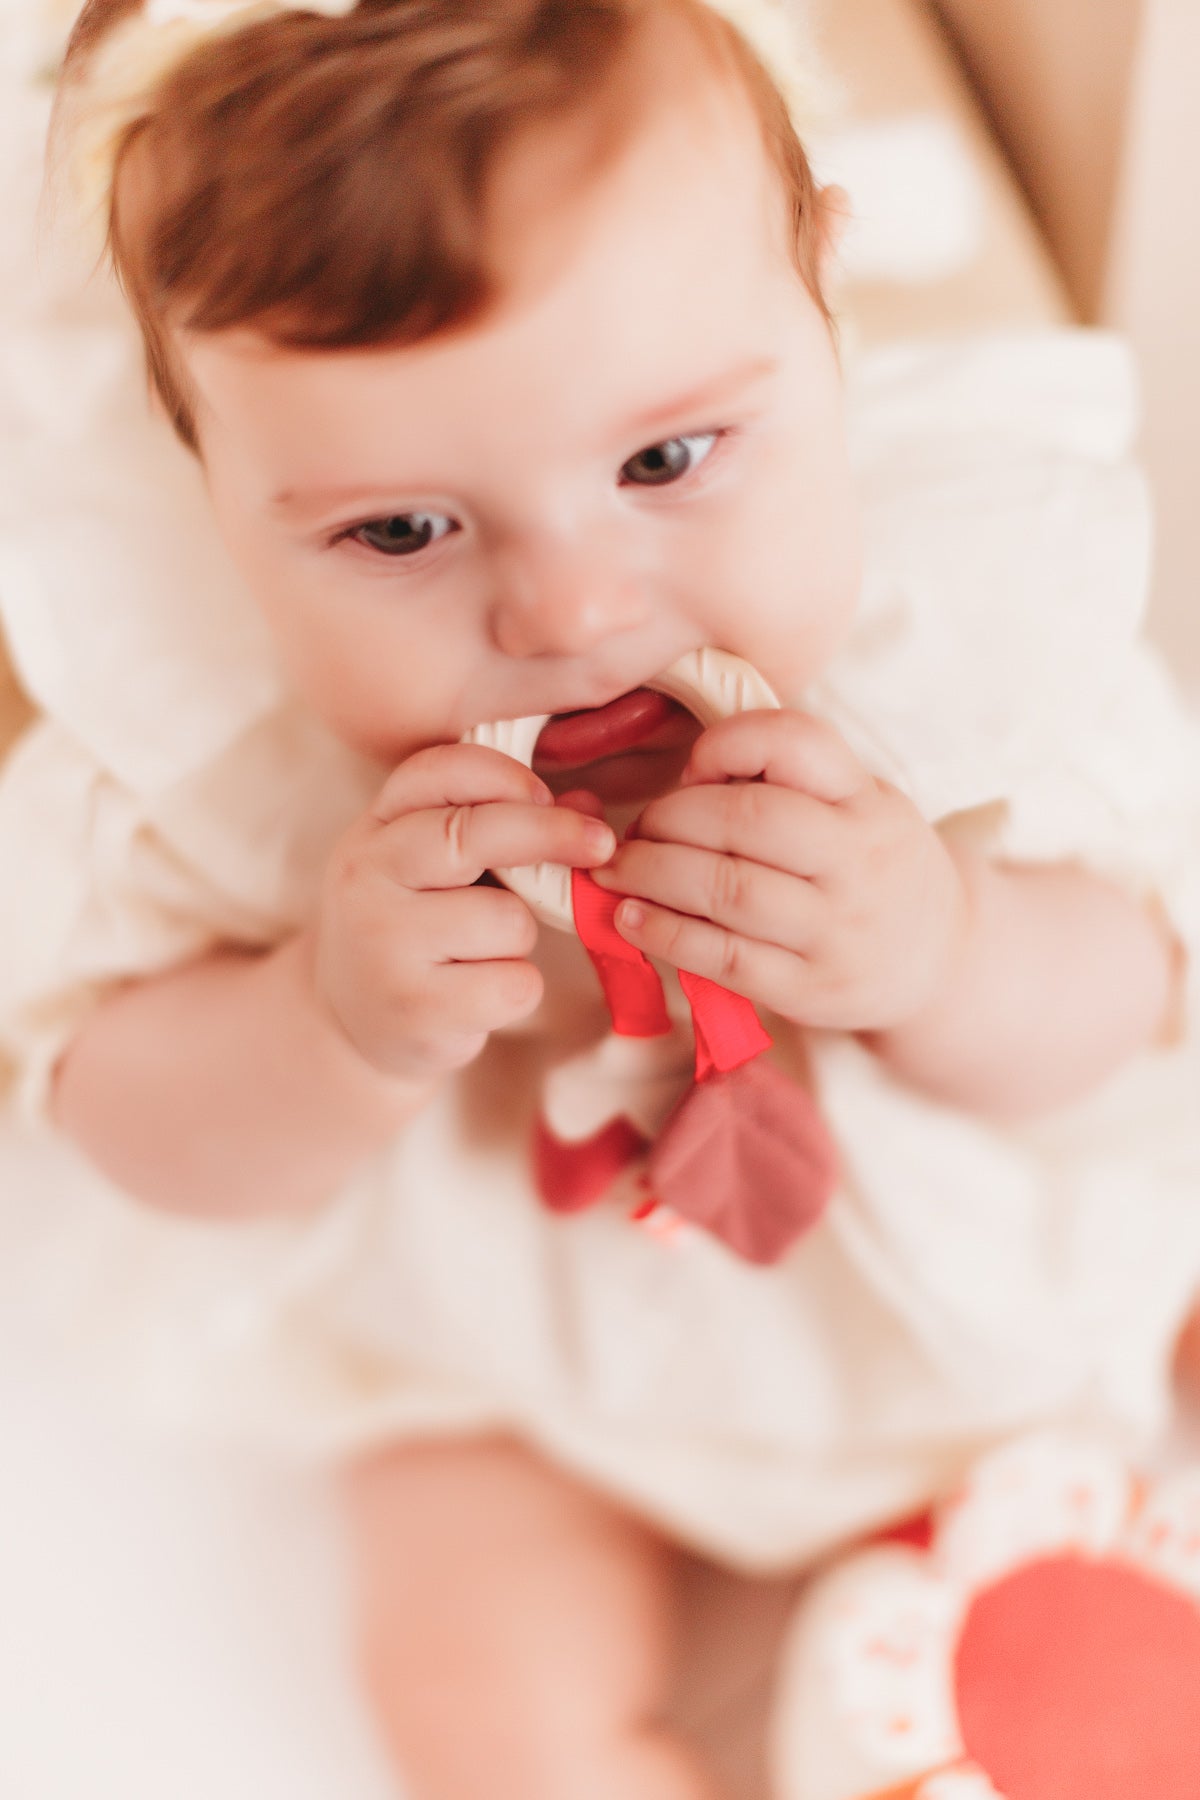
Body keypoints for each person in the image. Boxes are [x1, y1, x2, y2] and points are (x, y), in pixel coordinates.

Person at [3, 0, 1200, 1791]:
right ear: (212, 495)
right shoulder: (216, 765)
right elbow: (119, 1121)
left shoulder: (957, 641)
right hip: (497, 1377)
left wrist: (942, 949)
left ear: (828, 309)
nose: (568, 613)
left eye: (663, 463)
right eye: (401, 531)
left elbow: (1131, 999)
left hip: (953, 1300)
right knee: (481, 1698)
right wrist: (328, 1020)